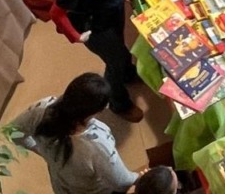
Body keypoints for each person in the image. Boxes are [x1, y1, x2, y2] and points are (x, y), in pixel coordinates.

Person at [48, 0, 145, 122]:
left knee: (121, 49)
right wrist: (75, 36)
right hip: (98, 28)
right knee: (114, 62)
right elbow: (57, 12)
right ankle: (118, 102)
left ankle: (128, 74)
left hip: (113, 14)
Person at [9, 74, 142, 194]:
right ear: (95, 111)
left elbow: (13, 131)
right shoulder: (96, 143)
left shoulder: (42, 109)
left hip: (61, 185)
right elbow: (121, 182)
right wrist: (143, 176)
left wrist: (42, 151)